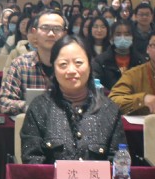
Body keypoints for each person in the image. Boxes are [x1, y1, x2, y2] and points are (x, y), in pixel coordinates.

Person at [21, 35, 126, 164]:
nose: (71, 70)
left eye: (78, 63)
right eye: (63, 64)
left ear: (90, 65)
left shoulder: (109, 110)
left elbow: (118, 162)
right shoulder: (39, 108)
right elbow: (32, 161)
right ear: (54, 68)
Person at [0, 11, 66, 115]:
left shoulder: (72, 66)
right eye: (45, 28)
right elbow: (2, 102)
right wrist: (32, 106)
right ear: (34, 33)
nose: (51, 33)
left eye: (57, 29)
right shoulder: (20, 64)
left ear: (64, 34)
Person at [92, 19, 148, 90]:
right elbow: (96, 84)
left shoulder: (141, 61)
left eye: (127, 34)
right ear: (112, 37)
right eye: (118, 34)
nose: (122, 37)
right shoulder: (101, 61)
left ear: (132, 37)